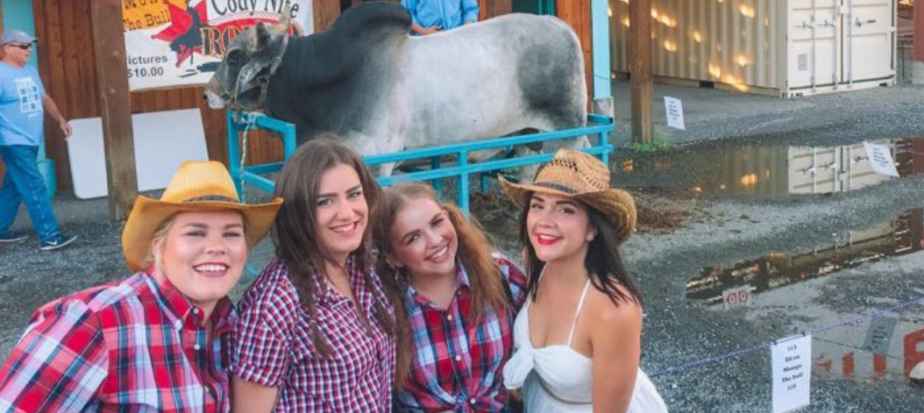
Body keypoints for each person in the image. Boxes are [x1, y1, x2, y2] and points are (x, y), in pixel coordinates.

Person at [0, 160, 282, 412]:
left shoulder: (230, 324)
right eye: (196, 232)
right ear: (159, 245)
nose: (217, 247)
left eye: (231, 234)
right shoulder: (93, 321)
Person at [232, 135, 397, 412]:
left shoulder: (362, 269)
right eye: (325, 201)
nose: (346, 212)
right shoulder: (274, 305)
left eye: (354, 194)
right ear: (297, 212)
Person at [500, 149, 667, 413]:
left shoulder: (614, 310)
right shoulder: (535, 262)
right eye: (538, 205)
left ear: (593, 229)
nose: (545, 221)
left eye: (566, 210)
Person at [373, 182, 528, 413]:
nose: (435, 240)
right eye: (413, 238)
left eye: (437, 223)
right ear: (393, 257)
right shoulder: (383, 310)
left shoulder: (500, 274)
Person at [0, 28, 76, 250]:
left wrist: (60, 119)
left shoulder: (31, 72)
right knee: (34, 186)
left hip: (31, 140)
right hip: (13, 142)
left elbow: (44, 97)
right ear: (7, 48)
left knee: (13, 186)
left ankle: (1, 228)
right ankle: (50, 235)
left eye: (30, 45)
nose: (29, 50)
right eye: (23, 46)